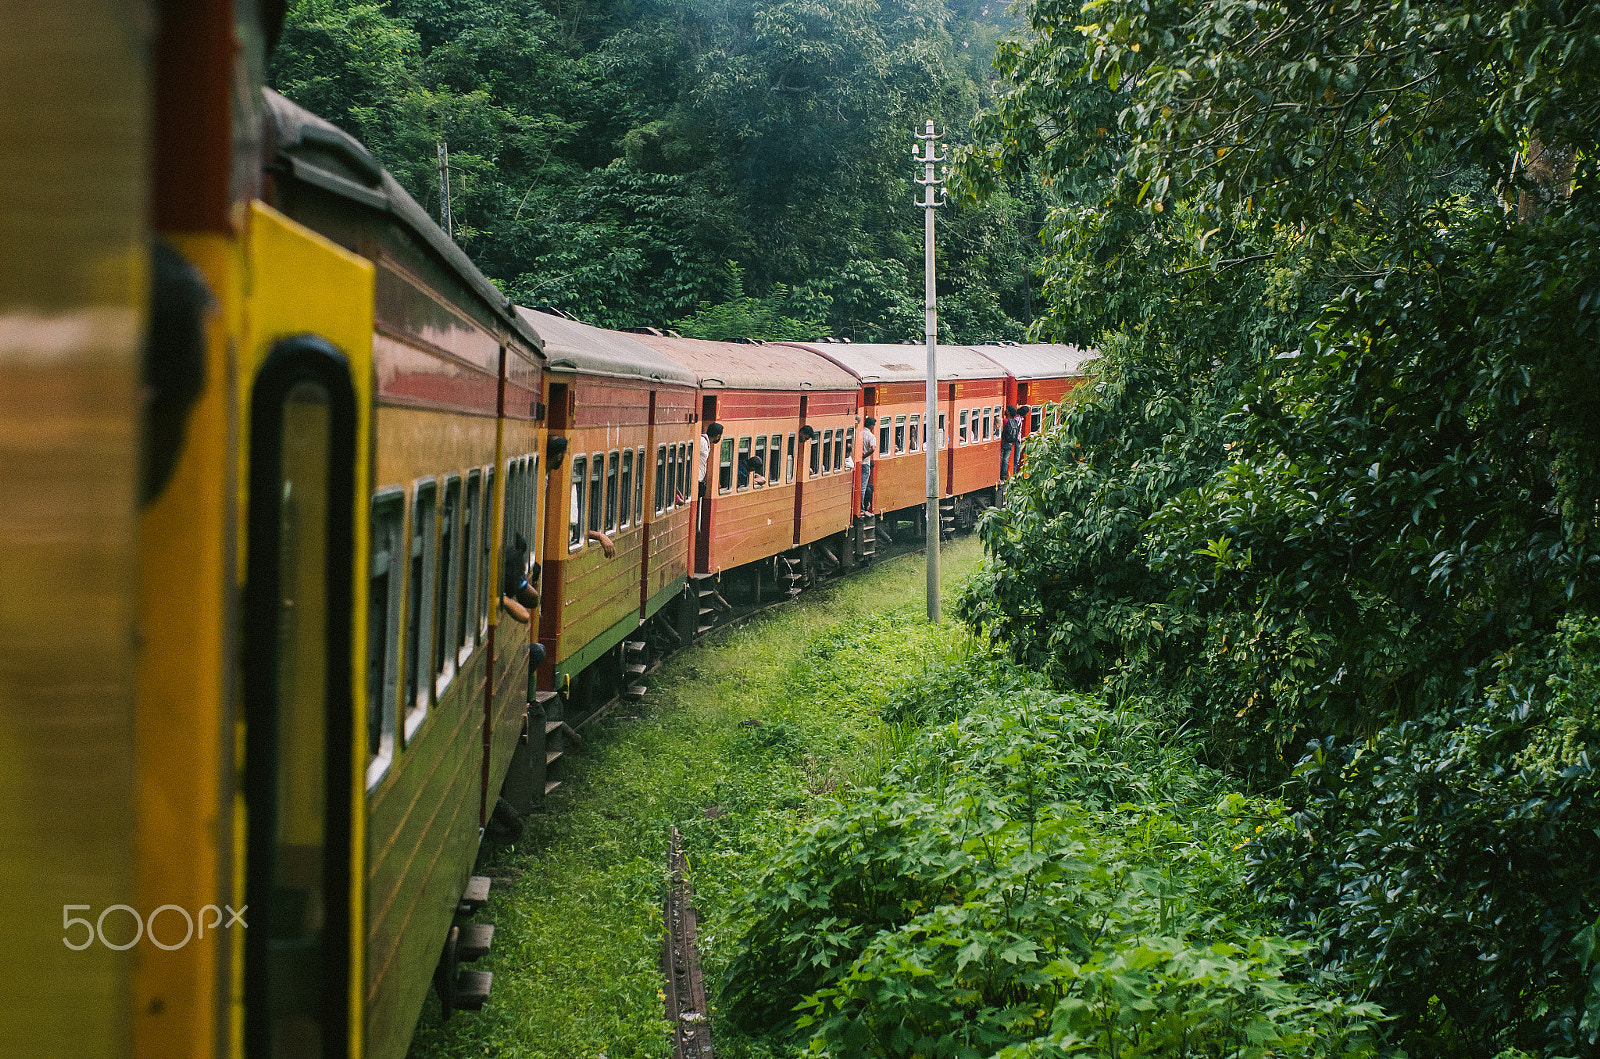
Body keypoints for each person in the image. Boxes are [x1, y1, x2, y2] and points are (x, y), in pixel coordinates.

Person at [499, 534, 547, 664]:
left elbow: (532, 599)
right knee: (538, 651)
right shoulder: (510, 572)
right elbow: (525, 615)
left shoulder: (510, 570)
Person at [697, 421, 724, 494]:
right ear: (718, 436)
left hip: (698, 480)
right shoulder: (702, 441)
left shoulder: (706, 442)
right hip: (696, 480)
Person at [858, 415, 877, 513]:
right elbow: (873, 448)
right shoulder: (871, 436)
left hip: (858, 463)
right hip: (865, 463)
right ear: (871, 426)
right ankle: (861, 507)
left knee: (859, 485)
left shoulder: (860, 433)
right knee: (863, 486)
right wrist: (864, 456)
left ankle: (859, 506)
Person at [1000, 404, 1020, 480]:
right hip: (1010, 444)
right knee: (1006, 460)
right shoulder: (1015, 421)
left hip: (1003, 443)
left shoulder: (1005, 421)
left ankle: (1000, 475)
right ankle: (1003, 477)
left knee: (1001, 460)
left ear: (1008, 412)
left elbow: (1001, 431)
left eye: (1006, 410)